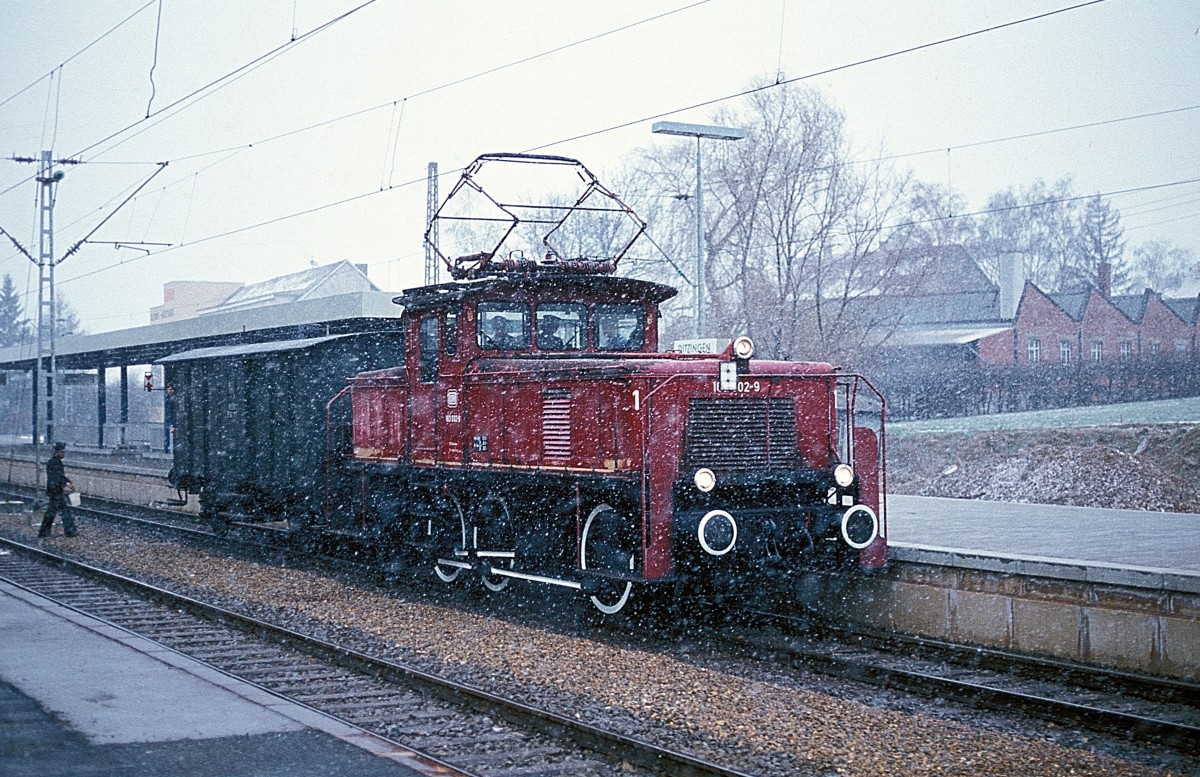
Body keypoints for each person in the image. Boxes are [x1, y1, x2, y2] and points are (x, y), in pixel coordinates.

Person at [38, 442, 77, 538]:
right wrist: (65, 483)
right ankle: (70, 531)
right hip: (55, 491)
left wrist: (68, 482)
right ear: (57, 452)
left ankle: (44, 532)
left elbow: (60, 476)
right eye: (62, 452)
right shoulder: (53, 463)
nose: (63, 454)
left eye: (64, 452)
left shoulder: (56, 462)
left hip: (56, 491)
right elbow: (55, 478)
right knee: (63, 512)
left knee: (52, 513)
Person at [163, 385, 176, 453]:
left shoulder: (166, 399)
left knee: (168, 435)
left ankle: (167, 449)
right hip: (170, 420)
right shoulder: (170, 399)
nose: (171, 391)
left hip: (170, 420)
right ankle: (167, 449)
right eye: (169, 389)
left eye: (172, 389)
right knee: (168, 435)